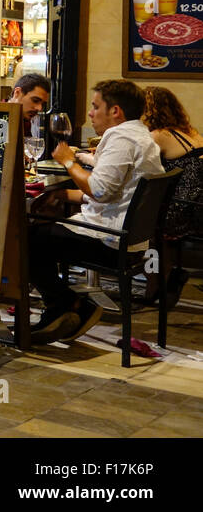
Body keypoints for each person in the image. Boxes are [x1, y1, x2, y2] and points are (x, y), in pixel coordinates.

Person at [27, 80, 164, 344]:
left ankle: (68, 305)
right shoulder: (141, 135)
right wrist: (60, 194)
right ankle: (66, 305)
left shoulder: (121, 138)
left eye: (95, 106)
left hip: (110, 242)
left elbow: (99, 191)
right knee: (43, 230)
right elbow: (110, 194)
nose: (90, 113)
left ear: (115, 111)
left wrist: (68, 161)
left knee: (29, 239)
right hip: (131, 240)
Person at [137, 86, 202, 306]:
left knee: (143, 230)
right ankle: (165, 278)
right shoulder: (189, 131)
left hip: (179, 207)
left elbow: (139, 167)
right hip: (195, 204)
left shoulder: (158, 136)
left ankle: (154, 284)